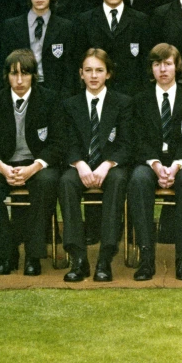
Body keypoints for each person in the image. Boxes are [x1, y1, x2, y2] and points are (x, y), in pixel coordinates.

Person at [0, 49, 64, 276]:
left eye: (24, 74)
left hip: (37, 164)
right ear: (6, 76)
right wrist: (2, 167)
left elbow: (57, 143)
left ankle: (33, 255)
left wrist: (34, 167)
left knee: (47, 183)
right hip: (4, 164)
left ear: (33, 75)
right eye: (13, 74)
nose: (18, 80)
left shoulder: (50, 99)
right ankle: (3, 253)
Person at [127, 44, 182, 281]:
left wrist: (176, 166)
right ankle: (147, 259)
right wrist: (157, 165)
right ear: (151, 68)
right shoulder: (139, 100)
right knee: (138, 180)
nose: (163, 69)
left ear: (177, 66)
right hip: (149, 162)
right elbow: (137, 139)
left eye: (168, 63)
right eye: (157, 64)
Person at [59, 49, 132, 282]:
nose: (93, 76)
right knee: (66, 182)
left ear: (108, 74)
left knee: (119, 180)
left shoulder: (123, 103)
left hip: (110, 167)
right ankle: (78, 258)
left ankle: (105, 258)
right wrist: (79, 164)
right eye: (88, 70)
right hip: (80, 165)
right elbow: (67, 141)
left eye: (99, 70)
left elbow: (127, 143)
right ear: (80, 74)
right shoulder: (70, 105)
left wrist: (107, 165)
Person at [76, 0, 153, 97]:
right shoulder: (84, 21)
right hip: (95, 96)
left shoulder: (141, 21)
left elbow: (145, 65)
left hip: (131, 97)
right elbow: (78, 63)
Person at [1, 0, 76, 99]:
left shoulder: (65, 27)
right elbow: (4, 64)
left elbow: (69, 68)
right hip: (20, 89)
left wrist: (64, 97)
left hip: (54, 92)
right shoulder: (12, 26)